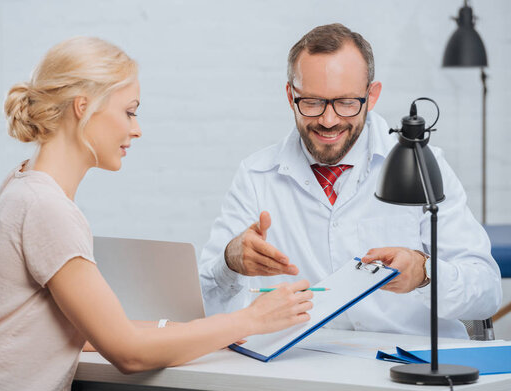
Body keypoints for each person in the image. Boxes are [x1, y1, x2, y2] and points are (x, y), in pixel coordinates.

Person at [0, 37, 314, 391]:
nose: (136, 130)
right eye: (129, 112)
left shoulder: (26, 185)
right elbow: (128, 353)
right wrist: (251, 318)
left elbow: (90, 331)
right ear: (83, 107)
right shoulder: (45, 208)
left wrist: (207, 331)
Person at [199, 23, 502, 339]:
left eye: (345, 103)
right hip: (300, 370)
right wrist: (230, 261)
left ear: (372, 96)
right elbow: (205, 303)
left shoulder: (423, 167)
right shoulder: (255, 177)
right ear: (291, 96)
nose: (328, 121)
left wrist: (424, 272)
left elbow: (487, 292)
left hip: (408, 369)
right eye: (312, 102)